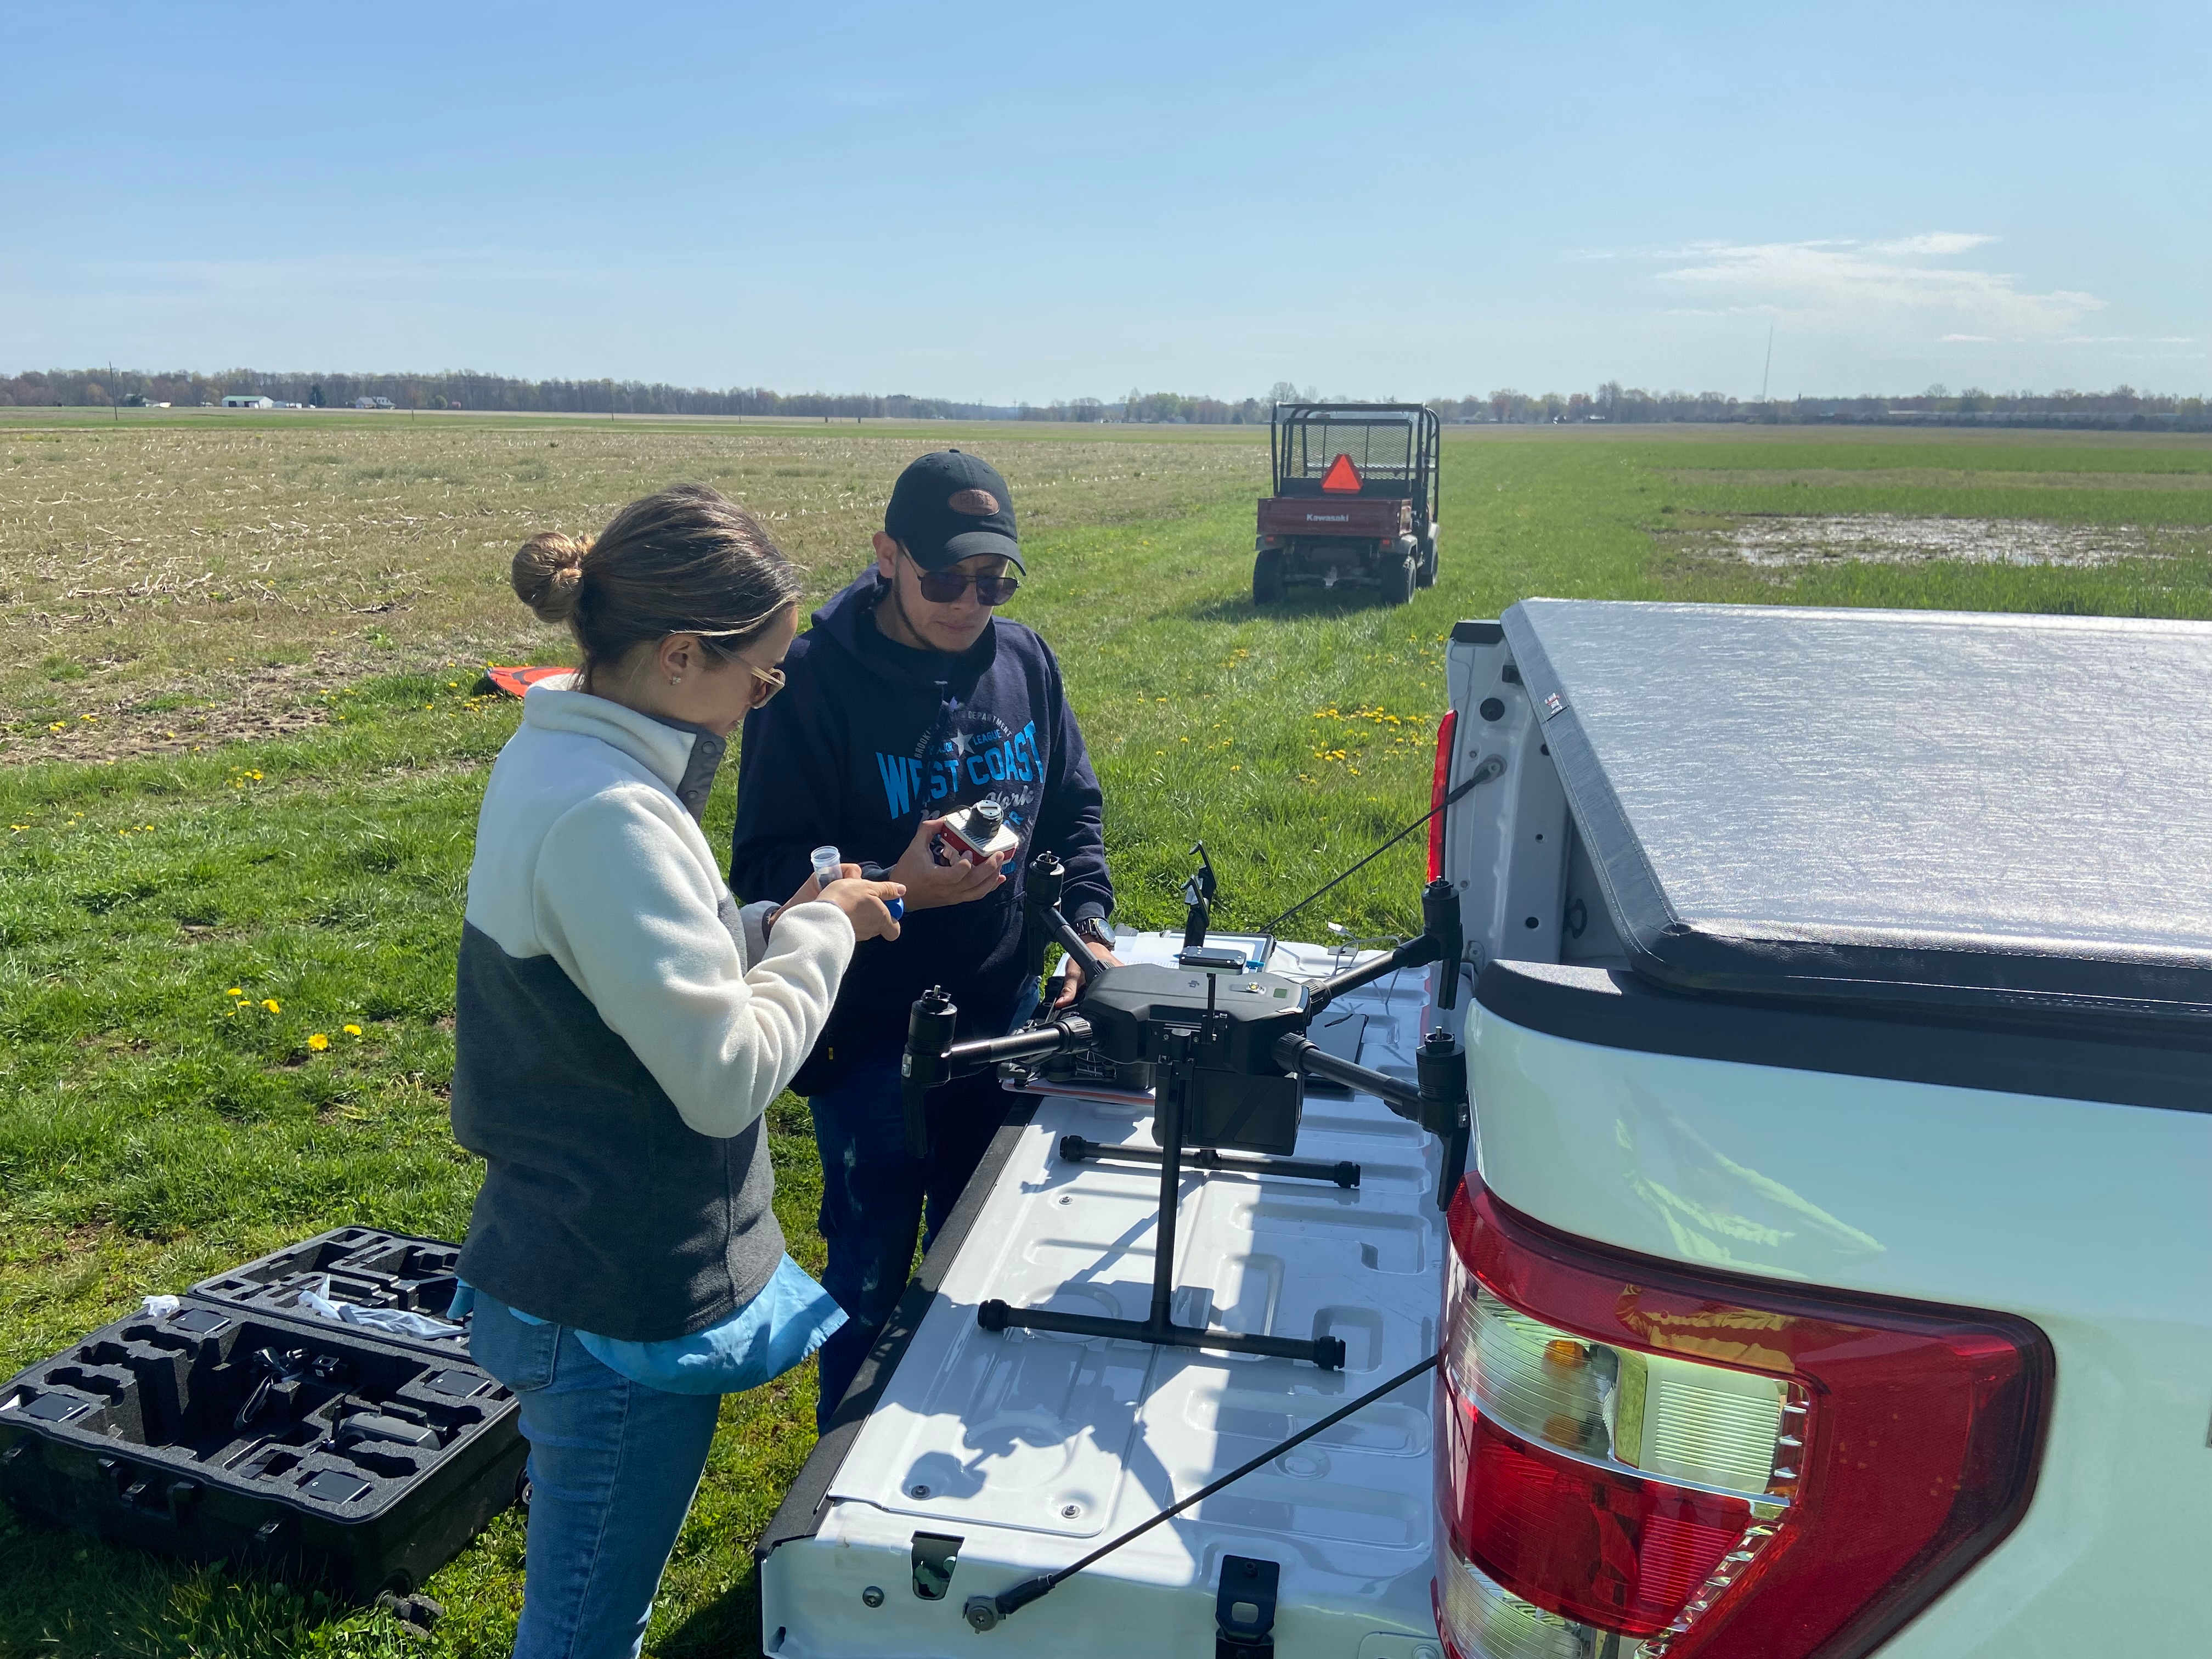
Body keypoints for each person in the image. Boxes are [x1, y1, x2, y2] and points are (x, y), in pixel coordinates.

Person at [449, 484, 904, 1658]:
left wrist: (760, 926)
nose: (768, 701)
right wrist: (827, 936)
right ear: (680, 654)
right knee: (588, 1622)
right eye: (761, 678)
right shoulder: (608, 811)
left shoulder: (573, 758)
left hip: (577, 1255)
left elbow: (627, 974)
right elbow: (721, 1075)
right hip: (612, 1296)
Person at [729, 450, 1116, 1431]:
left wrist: (1091, 933)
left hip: (1007, 1017)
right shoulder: (812, 682)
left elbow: (1073, 810)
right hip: (870, 1041)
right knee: (867, 1271)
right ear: (887, 555)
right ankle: (842, 1475)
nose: (968, 601)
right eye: (944, 577)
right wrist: (902, 881)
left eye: (993, 580)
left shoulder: (1025, 660)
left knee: (983, 1253)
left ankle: (944, 1454)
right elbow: (768, 871)